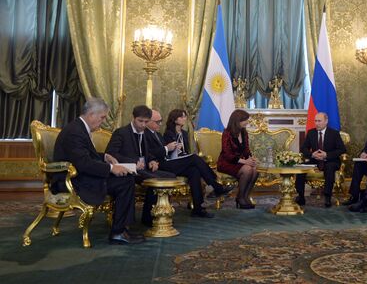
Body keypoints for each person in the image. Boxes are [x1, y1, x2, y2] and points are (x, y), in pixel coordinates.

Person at [53, 98, 144, 245]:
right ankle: (118, 232)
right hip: (72, 181)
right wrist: (111, 168)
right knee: (125, 182)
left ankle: (122, 229)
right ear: (91, 115)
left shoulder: (79, 128)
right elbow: (83, 163)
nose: (102, 121)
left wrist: (105, 156)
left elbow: (85, 156)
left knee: (126, 179)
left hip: (80, 176)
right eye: (102, 117)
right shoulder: (75, 132)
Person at [144, 108, 233, 218]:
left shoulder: (156, 134)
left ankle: (198, 208)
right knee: (194, 158)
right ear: (148, 121)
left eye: (161, 121)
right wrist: (167, 148)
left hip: (168, 161)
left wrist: (171, 149)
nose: (160, 124)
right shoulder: (145, 134)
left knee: (194, 171)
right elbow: (149, 153)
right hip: (161, 165)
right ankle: (216, 186)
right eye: (157, 122)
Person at [106, 105, 175, 227]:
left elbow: (147, 153)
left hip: (143, 169)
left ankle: (151, 215)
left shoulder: (144, 133)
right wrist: (133, 161)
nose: (143, 125)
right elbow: (111, 153)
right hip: (128, 169)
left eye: (146, 122)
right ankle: (149, 218)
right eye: (140, 121)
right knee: (155, 180)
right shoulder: (121, 133)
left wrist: (152, 161)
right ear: (133, 118)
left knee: (170, 176)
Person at [295, 112, 346, 208]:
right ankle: (301, 196)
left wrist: (327, 155)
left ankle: (327, 197)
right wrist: (312, 154)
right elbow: (304, 148)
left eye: (319, 121)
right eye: (315, 121)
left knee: (329, 168)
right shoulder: (311, 133)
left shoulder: (334, 133)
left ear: (326, 121)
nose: (317, 123)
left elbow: (342, 149)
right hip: (315, 160)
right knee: (300, 168)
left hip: (330, 160)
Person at [217, 109, 258, 209]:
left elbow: (247, 150)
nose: (247, 122)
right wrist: (245, 162)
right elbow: (227, 154)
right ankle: (240, 198)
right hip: (226, 163)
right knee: (248, 169)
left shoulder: (244, 133)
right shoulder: (227, 133)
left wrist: (251, 159)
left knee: (255, 170)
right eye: (245, 120)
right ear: (237, 121)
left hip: (239, 162)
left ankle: (245, 196)